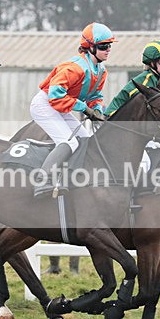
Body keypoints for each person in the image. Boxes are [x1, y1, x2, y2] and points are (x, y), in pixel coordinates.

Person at [31, 22, 114, 198]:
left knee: (85, 140)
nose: (108, 50)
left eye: (109, 46)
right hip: (45, 105)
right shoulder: (74, 68)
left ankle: (71, 180)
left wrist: (96, 110)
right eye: (104, 46)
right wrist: (84, 108)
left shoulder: (101, 70)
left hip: (61, 107)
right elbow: (55, 95)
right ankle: (43, 181)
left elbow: (95, 96)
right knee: (69, 142)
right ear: (90, 48)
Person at [105, 40, 160, 173]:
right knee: (144, 163)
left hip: (135, 126)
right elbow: (127, 101)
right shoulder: (145, 80)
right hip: (117, 125)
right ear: (151, 63)